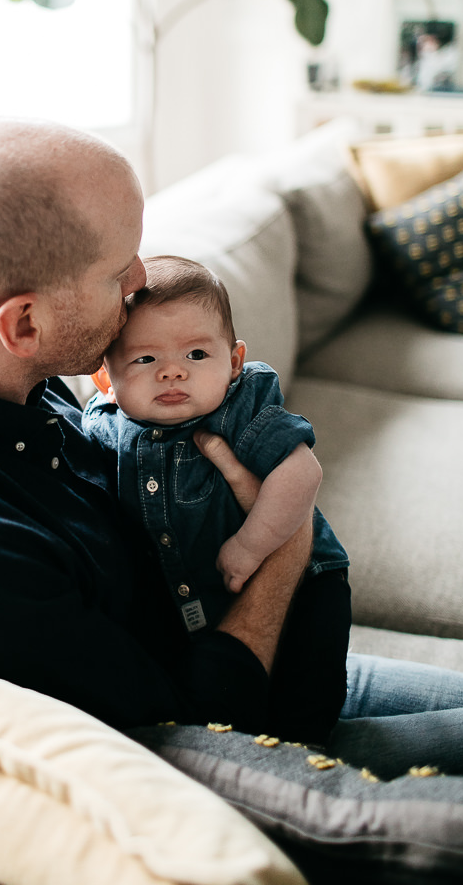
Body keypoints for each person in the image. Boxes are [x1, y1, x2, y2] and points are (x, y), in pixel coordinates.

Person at [0, 116, 463, 780]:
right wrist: (287, 547)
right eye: (118, 273)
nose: (140, 280)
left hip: (255, 639)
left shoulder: (3, 380)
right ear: (24, 321)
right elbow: (195, 729)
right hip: (244, 733)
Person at [83, 255, 350, 744]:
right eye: (145, 359)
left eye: (196, 355)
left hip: (307, 584)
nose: (172, 372)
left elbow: (302, 473)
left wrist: (250, 546)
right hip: (201, 606)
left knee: (305, 709)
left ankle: (307, 748)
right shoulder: (102, 429)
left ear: (233, 362)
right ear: (105, 379)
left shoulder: (238, 409)